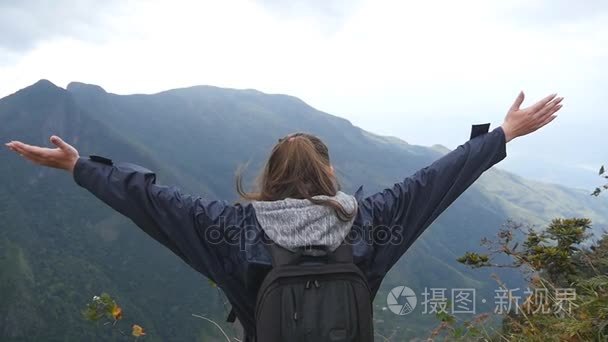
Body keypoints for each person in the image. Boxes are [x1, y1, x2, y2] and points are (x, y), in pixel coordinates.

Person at [6, 91, 562, 341]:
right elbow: (437, 181)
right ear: (329, 175)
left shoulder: (230, 230)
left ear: (268, 179)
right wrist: (502, 135)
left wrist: (80, 166)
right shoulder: (372, 222)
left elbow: (149, 199)